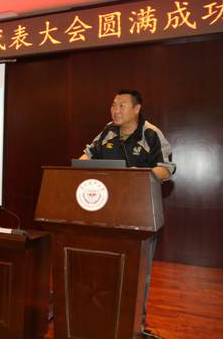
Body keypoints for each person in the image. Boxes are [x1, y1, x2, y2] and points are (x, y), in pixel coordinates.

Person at [80, 89, 175, 339]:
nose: (115, 110)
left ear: (136, 108)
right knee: (104, 269)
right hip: (104, 213)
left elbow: (166, 169)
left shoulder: (150, 134)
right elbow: (87, 156)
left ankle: (135, 327)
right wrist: (75, 171)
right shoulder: (108, 132)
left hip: (139, 213)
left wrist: (139, 178)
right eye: (113, 105)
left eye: (121, 105)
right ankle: (103, 320)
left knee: (137, 273)